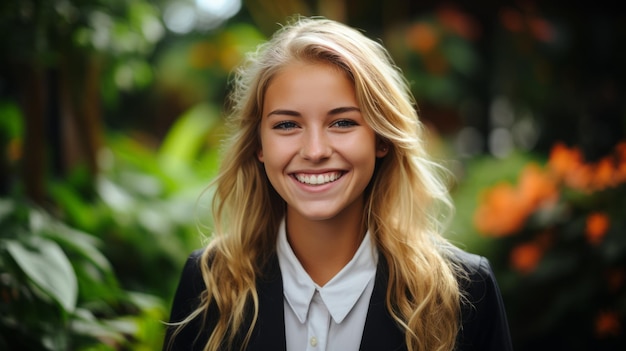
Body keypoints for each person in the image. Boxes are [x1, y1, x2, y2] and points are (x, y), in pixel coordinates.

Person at [163, 15, 513, 351]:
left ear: (381, 139)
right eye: (287, 125)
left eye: (342, 123)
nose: (315, 151)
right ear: (259, 145)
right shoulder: (209, 283)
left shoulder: (464, 290)